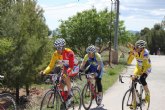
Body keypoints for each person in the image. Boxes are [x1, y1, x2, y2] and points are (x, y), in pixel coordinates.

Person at [41, 38, 79, 106]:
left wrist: (65, 73)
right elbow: (50, 65)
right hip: (66, 67)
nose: (58, 50)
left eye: (59, 48)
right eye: (56, 48)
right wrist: (44, 72)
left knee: (65, 75)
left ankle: (69, 94)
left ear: (63, 47)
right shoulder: (56, 54)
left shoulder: (69, 52)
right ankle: (65, 98)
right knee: (60, 83)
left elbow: (71, 66)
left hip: (74, 67)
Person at [127, 40, 151, 109]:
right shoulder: (135, 51)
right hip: (138, 67)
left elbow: (145, 65)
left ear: (141, 48)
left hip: (146, 68)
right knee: (133, 82)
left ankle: (147, 94)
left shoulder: (145, 53)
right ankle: (134, 101)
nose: (135, 48)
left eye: (137, 47)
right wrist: (131, 54)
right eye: (135, 46)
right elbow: (128, 62)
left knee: (142, 79)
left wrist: (141, 74)